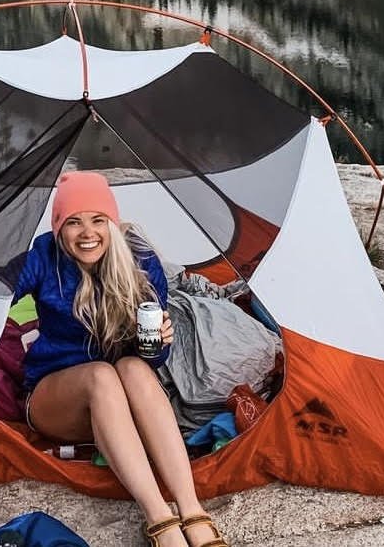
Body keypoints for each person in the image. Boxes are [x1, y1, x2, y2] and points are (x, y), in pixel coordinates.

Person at [12, 170, 229, 547]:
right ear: (59, 227)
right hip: (57, 398)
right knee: (101, 374)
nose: (87, 233)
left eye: (98, 220)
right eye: (73, 222)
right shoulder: (44, 256)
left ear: (112, 222)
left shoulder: (139, 260)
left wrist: (161, 342)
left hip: (118, 407)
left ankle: (192, 508)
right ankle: (159, 518)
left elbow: (152, 357)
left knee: (130, 366)